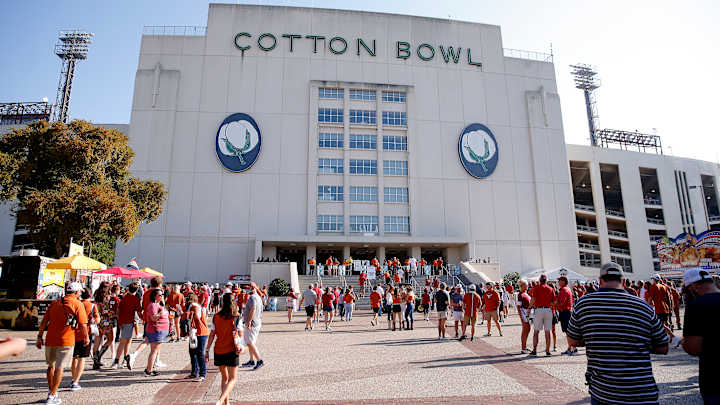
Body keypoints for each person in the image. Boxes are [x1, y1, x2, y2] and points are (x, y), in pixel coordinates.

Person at [567, 262, 668, 405]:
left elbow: (572, 341)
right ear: (624, 281)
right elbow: (663, 347)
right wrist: (634, 343)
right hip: (642, 393)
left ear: (600, 281)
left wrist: (596, 340)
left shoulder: (584, 304)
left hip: (604, 392)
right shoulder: (643, 307)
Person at [36, 282, 88, 405]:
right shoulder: (77, 304)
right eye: (79, 292)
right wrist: (86, 338)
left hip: (50, 339)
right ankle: (52, 395)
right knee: (60, 367)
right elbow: (83, 324)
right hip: (66, 340)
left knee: (51, 366)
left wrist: (39, 336)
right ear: (76, 292)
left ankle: (51, 392)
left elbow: (44, 321)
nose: (80, 293)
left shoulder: (54, 303)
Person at [681, 268, 720, 404]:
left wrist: (682, 342)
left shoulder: (696, 306)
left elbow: (693, 348)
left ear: (693, 287)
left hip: (714, 380)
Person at [206, 293, 248, 405]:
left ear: (222, 302)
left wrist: (207, 350)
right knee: (233, 379)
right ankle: (220, 400)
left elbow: (212, 334)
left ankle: (226, 402)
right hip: (231, 350)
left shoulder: (216, 316)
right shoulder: (236, 317)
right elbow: (240, 335)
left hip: (218, 350)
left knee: (224, 377)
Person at [69, 287, 97, 391]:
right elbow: (97, 319)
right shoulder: (92, 305)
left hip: (73, 333)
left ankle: (73, 378)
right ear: (90, 295)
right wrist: (94, 320)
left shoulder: (75, 304)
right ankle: (76, 381)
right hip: (86, 334)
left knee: (74, 358)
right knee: (82, 358)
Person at [114, 283, 142, 370]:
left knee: (128, 340)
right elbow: (139, 311)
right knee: (123, 341)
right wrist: (144, 318)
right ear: (136, 290)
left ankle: (125, 358)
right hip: (128, 321)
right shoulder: (135, 299)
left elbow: (118, 309)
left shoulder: (124, 297)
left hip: (122, 321)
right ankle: (116, 361)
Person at [143, 288, 169, 377]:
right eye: (160, 295)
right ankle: (148, 371)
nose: (162, 296)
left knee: (155, 351)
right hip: (156, 330)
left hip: (160, 330)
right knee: (154, 351)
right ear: (155, 296)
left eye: (162, 295)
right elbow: (153, 318)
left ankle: (149, 368)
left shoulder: (158, 304)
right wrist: (161, 313)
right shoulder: (153, 305)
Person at [186, 292, 210, 381]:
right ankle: (194, 372)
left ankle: (202, 374)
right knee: (192, 352)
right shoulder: (193, 307)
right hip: (195, 332)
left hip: (200, 332)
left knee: (199, 353)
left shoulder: (194, 307)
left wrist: (187, 314)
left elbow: (196, 317)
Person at [241, 283, 265, 370]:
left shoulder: (252, 297)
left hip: (252, 323)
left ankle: (259, 360)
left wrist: (249, 321)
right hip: (257, 322)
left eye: (249, 288)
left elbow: (253, 308)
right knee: (250, 342)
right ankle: (251, 360)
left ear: (254, 288)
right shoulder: (258, 297)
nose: (248, 289)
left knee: (250, 342)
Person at [530, 274, 554, 356]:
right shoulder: (551, 289)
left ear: (539, 280)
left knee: (536, 332)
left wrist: (529, 308)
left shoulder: (536, 288)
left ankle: (534, 350)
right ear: (546, 280)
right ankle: (547, 351)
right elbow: (554, 301)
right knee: (547, 332)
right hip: (548, 310)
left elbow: (533, 299)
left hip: (539, 309)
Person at [556, 276, 576, 355]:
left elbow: (562, 302)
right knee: (569, 331)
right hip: (567, 311)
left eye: (559, 281)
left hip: (565, 312)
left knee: (568, 332)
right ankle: (572, 348)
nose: (558, 282)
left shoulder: (564, 290)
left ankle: (570, 348)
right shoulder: (567, 289)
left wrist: (554, 304)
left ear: (563, 281)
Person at [517, 280, 532, 354]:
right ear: (522, 286)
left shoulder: (525, 293)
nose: (527, 286)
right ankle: (523, 348)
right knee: (525, 330)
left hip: (527, 314)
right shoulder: (520, 294)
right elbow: (518, 307)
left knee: (527, 329)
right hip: (524, 314)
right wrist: (521, 318)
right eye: (526, 285)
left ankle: (524, 346)